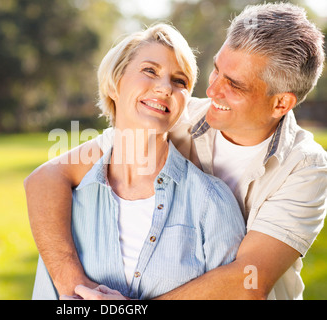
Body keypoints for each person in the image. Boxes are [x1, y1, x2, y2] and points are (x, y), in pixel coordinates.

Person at [25, 3, 327, 300]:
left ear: (280, 104)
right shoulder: (175, 116)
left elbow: (249, 281)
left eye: (233, 85)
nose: (211, 92)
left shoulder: (305, 167)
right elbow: (48, 176)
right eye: (217, 71)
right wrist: (71, 282)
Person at [30, 23, 245, 300]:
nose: (165, 87)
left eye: (180, 81)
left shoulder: (212, 202)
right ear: (114, 83)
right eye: (150, 71)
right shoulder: (65, 203)